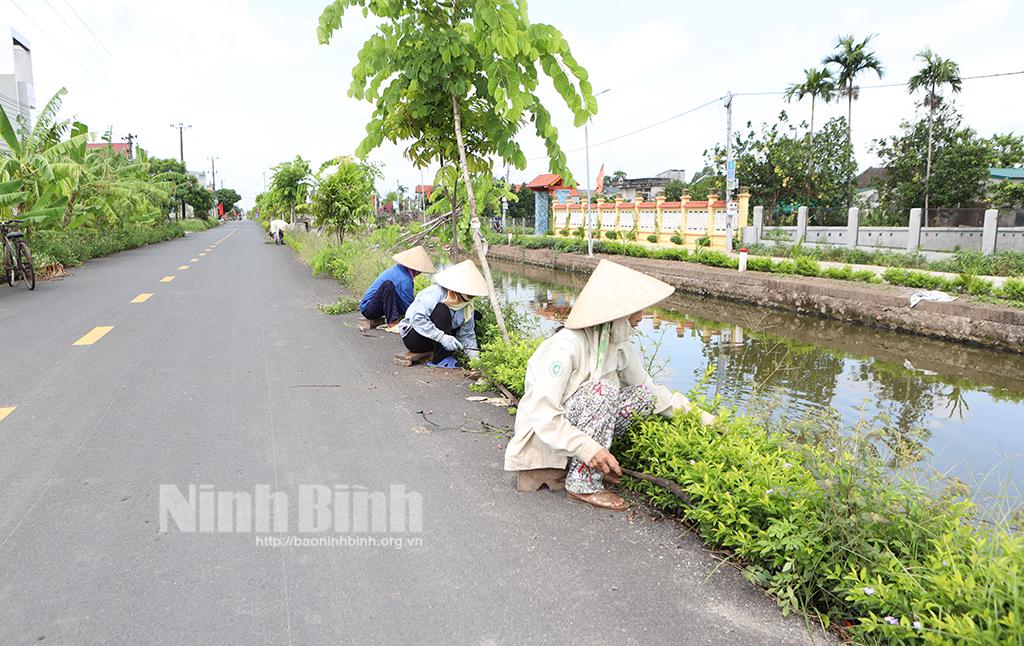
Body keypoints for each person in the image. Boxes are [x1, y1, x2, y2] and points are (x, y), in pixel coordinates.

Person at [503, 259, 717, 511]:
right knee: (603, 389)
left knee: (643, 397)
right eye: (635, 312)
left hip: (576, 430)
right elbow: (543, 413)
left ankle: (586, 464)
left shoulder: (618, 346)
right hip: (547, 435)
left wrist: (703, 418)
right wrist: (588, 448)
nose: (640, 318)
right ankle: (582, 484)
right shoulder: (566, 346)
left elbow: (654, 393)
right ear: (614, 315)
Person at [398, 259, 486, 369]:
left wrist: (475, 359)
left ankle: (446, 354)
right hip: (415, 337)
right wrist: (442, 337)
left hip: (435, 339)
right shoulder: (436, 293)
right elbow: (417, 319)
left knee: (476, 316)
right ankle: (441, 359)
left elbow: (467, 335)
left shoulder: (468, 305)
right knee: (442, 309)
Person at [359, 246, 437, 330]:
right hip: (369, 308)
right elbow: (408, 306)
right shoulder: (404, 279)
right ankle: (392, 323)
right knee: (387, 285)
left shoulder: (400, 270)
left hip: (379, 305)